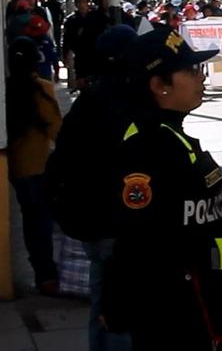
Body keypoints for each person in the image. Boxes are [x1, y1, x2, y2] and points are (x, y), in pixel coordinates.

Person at [101, 28, 222, 350]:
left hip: (197, 306)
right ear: (160, 86)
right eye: (190, 70)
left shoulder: (172, 136)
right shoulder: (147, 147)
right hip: (174, 315)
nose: (201, 76)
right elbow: (142, 244)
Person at [47, 25, 137, 351]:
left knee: (103, 300)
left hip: (92, 222)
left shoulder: (91, 100)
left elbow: (61, 159)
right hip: (114, 222)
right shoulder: (125, 102)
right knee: (121, 306)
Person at [6, 37, 61, 296]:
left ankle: (43, 273)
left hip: (15, 168)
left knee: (31, 221)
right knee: (43, 222)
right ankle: (48, 276)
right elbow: (56, 130)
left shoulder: (7, 90)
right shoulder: (42, 89)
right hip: (39, 166)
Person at [62, 0, 92, 90]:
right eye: (79, 3)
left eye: (84, 2)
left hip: (94, 55)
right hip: (80, 56)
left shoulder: (95, 17)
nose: (82, 5)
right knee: (82, 83)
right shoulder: (71, 20)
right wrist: (65, 55)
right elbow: (66, 39)